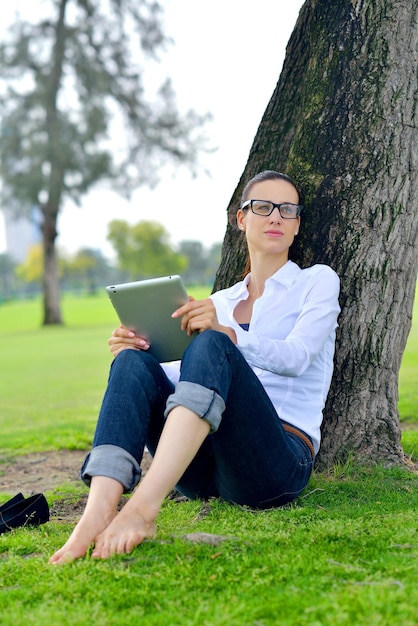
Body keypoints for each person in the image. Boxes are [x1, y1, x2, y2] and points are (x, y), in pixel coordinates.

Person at [50, 170, 340, 564]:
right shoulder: (218, 301)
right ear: (242, 219)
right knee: (135, 362)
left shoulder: (317, 282)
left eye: (287, 210)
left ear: (297, 223)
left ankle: (142, 510)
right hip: (206, 471)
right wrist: (134, 352)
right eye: (263, 207)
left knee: (214, 342)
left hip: (276, 462)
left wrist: (230, 335)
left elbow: (298, 356)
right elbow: (184, 381)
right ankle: (99, 509)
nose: (275, 217)